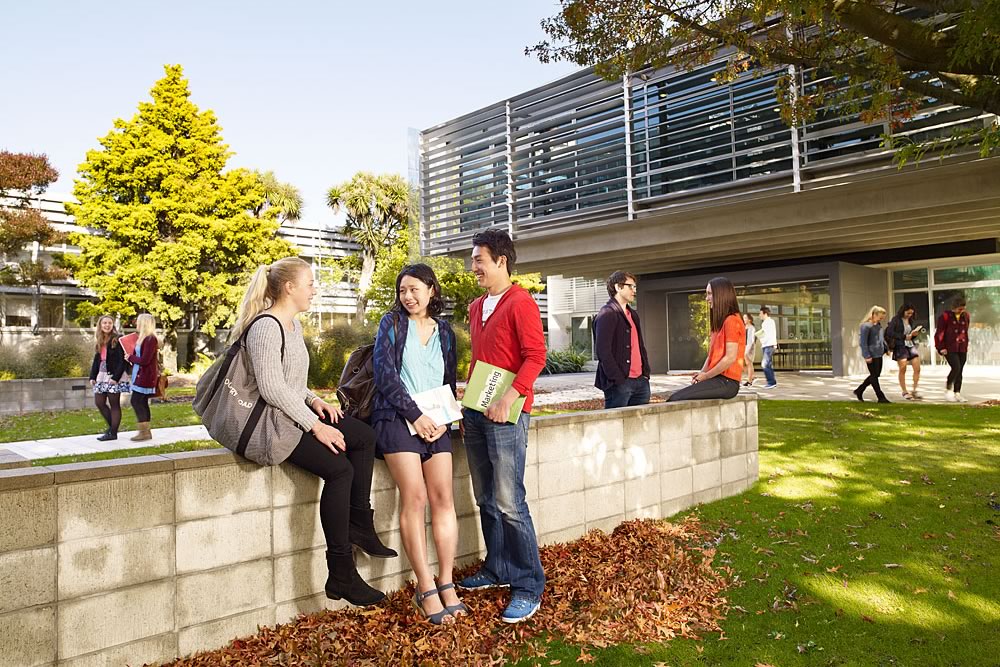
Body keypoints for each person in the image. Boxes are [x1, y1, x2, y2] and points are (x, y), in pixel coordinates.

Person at [230, 256, 395, 607]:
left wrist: (314, 401)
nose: (314, 291)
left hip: (294, 415)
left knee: (364, 437)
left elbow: (289, 383)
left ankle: (360, 524)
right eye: (310, 284)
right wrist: (315, 425)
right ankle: (341, 573)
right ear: (289, 287)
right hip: (272, 427)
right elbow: (271, 389)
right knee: (340, 470)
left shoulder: (291, 326)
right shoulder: (265, 327)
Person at [459, 228, 547, 624]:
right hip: (476, 412)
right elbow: (481, 359)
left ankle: (529, 585)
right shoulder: (478, 307)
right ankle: (498, 569)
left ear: (501, 261)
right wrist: (467, 404)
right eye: (474, 259)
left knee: (511, 502)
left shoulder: (521, 302)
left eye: (479, 259)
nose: (473, 265)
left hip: (508, 413)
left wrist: (509, 398)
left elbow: (535, 356)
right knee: (486, 498)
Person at [371, 264, 467, 625]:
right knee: (415, 498)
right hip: (396, 418)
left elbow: (447, 380)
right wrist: (415, 415)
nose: (408, 297)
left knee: (443, 497)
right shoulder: (391, 324)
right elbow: (385, 376)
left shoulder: (445, 332)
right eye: (402, 291)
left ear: (431, 290)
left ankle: (446, 581)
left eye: (414, 289)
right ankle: (425, 586)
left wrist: (445, 418)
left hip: (437, 421)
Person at [666, 277, 745, 402]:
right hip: (716, 379)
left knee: (676, 398)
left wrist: (706, 376)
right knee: (675, 397)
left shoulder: (732, 320)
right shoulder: (718, 324)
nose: (707, 298)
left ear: (720, 295)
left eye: (709, 294)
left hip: (727, 382)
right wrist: (700, 375)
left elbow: (730, 358)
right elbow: (711, 357)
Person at [593, 270, 651, 409]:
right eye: (630, 286)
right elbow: (602, 351)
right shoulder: (607, 313)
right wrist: (617, 379)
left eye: (635, 287)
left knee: (641, 427)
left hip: (641, 382)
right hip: (620, 383)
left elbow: (639, 345)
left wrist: (645, 373)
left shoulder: (633, 314)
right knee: (615, 428)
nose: (634, 290)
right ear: (618, 287)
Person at [88, 315, 131, 441]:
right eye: (104, 323)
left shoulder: (118, 339)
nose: (107, 325)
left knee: (114, 404)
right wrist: (92, 375)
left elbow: (122, 361)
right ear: (100, 325)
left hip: (113, 375)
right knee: (99, 402)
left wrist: (116, 378)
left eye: (109, 323)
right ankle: (113, 428)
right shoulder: (100, 339)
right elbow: (97, 360)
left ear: (113, 325)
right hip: (101, 374)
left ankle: (112, 432)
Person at [127, 313, 160, 441]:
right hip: (139, 374)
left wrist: (130, 357)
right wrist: (131, 358)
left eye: (138, 321)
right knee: (141, 402)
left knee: (136, 401)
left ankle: (144, 432)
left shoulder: (150, 339)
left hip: (145, 376)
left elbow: (145, 360)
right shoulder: (143, 338)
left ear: (144, 323)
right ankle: (145, 432)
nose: (136, 323)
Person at [935, 296, 970, 403]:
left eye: (963, 308)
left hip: (962, 347)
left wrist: (966, 343)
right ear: (954, 308)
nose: (962, 311)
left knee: (960, 370)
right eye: (960, 309)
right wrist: (941, 347)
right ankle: (948, 389)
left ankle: (957, 393)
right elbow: (940, 333)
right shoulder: (945, 317)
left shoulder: (966, 316)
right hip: (949, 347)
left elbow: (965, 330)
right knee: (956, 367)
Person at [885, 303, 923, 400]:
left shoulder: (910, 320)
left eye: (911, 313)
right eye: (908, 313)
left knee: (917, 368)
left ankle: (914, 390)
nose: (909, 315)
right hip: (900, 345)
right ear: (903, 311)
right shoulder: (896, 320)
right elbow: (890, 332)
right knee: (903, 368)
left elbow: (911, 334)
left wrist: (914, 334)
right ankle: (904, 391)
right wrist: (904, 336)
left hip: (910, 345)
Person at [853, 306, 891, 403]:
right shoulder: (866, 326)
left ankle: (859, 390)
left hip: (879, 353)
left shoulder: (878, 325)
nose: (881, 319)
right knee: (874, 376)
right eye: (880, 317)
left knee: (875, 375)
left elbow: (881, 339)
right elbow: (863, 342)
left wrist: (886, 349)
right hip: (871, 354)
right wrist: (867, 356)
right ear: (874, 315)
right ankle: (881, 397)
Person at [758, 306, 778, 389]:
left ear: (764, 313)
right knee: (768, 364)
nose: (759, 315)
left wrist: (761, 339)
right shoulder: (766, 322)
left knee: (765, 364)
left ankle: (771, 382)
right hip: (767, 345)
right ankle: (772, 382)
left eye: (760, 313)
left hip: (768, 345)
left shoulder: (768, 322)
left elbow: (768, 335)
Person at [742, 312, 756, 387]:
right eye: (743, 318)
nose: (744, 319)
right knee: (745, 364)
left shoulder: (751, 328)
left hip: (749, 347)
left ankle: (750, 380)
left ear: (749, 320)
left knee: (749, 363)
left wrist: (746, 351)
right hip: (744, 346)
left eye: (745, 318)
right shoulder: (744, 327)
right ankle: (751, 377)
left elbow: (751, 340)